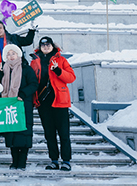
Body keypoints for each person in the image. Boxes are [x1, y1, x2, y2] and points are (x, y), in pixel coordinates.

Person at [31, 36, 76, 172]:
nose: (45, 46)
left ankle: (66, 160)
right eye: (43, 44)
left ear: (52, 45)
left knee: (64, 134)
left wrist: (58, 71)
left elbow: (71, 77)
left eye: (48, 44)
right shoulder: (35, 62)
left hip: (60, 102)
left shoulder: (61, 60)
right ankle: (54, 160)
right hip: (43, 103)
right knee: (49, 134)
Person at [2, 44, 37, 171]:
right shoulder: (4, 69)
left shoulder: (25, 69)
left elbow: (34, 84)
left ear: (18, 55)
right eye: (8, 54)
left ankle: (22, 160)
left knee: (24, 132)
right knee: (12, 134)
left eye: (13, 53)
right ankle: (14, 160)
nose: (11, 56)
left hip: (23, 105)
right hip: (9, 106)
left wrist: (22, 94)